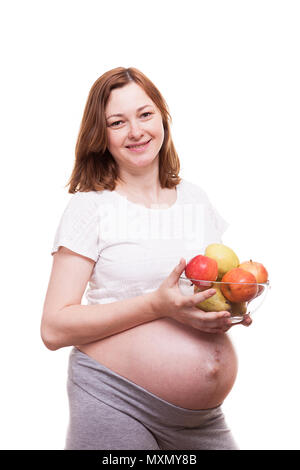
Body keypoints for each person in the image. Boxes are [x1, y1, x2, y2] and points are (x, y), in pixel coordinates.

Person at [41, 66, 252, 450]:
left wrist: (232, 305)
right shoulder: (91, 207)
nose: (136, 131)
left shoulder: (195, 199)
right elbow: (54, 328)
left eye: (145, 114)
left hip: (200, 420)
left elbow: (205, 288)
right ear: (100, 136)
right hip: (115, 399)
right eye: (117, 122)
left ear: (162, 118)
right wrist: (157, 305)